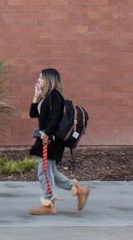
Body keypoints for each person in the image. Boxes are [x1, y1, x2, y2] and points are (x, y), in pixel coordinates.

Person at [27, 68, 89, 216]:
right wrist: (36, 97)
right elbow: (33, 113)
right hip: (47, 138)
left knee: (44, 172)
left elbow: (55, 118)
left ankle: (48, 204)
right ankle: (79, 191)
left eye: (41, 78)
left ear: (49, 79)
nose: (38, 80)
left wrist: (47, 133)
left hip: (51, 140)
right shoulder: (47, 96)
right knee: (51, 172)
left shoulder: (55, 96)